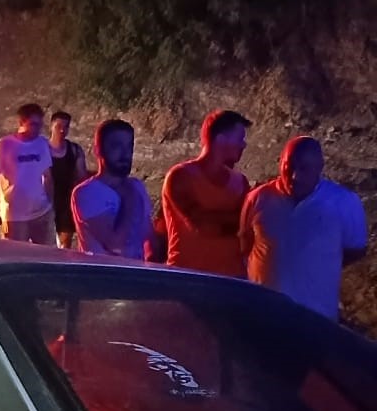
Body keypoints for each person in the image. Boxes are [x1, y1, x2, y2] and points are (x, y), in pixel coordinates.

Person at [240, 135, 368, 319]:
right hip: (263, 314)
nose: (295, 176)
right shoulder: (258, 198)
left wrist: (316, 264)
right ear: (280, 163)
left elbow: (356, 250)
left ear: (319, 168)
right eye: (288, 167)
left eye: (304, 169)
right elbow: (245, 244)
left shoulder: (344, 202)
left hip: (316, 318)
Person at [154, 109, 250, 275]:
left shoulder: (241, 182)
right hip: (190, 279)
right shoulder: (181, 177)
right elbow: (205, 226)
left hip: (232, 281)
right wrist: (240, 221)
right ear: (220, 140)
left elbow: (249, 230)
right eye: (240, 138)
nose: (244, 145)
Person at [71, 119, 155, 258]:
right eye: (117, 146)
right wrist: (129, 196)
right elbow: (118, 246)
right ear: (98, 150)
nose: (125, 154)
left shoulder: (136, 186)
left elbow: (148, 237)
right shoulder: (88, 193)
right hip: (103, 276)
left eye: (129, 146)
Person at [0, 103, 55, 244]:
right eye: (33, 124)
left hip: (41, 212)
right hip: (15, 216)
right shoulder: (4, 145)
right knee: (17, 257)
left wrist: (50, 204)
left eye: (40, 125)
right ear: (21, 123)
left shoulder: (42, 143)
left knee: (46, 256)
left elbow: (47, 175)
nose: (37, 129)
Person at [48, 109, 87, 248]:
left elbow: (81, 176)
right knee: (45, 243)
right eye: (58, 126)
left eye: (66, 127)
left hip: (66, 201)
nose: (62, 130)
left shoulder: (74, 150)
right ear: (51, 126)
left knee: (65, 243)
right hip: (45, 202)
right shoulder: (41, 149)